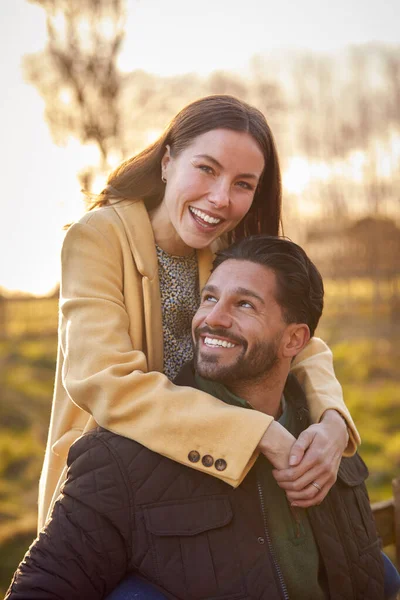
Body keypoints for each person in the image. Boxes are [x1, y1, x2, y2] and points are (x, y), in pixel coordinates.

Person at [38, 94, 359, 531]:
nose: (221, 198)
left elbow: (303, 343)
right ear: (168, 162)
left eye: (244, 184)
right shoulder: (97, 237)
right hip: (110, 486)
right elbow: (104, 381)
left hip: (206, 483)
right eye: (206, 169)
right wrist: (256, 433)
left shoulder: (228, 250)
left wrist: (334, 423)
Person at [7, 236, 386, 599]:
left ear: (294, 341)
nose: (212, 319)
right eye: (209, 298)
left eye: (245, 305)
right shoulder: (119, 462)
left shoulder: (327, 441)